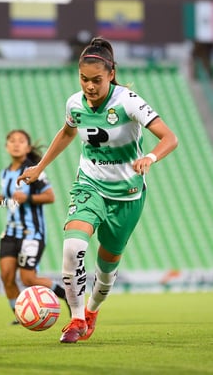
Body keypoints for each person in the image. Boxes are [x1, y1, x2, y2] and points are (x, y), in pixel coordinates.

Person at [17, 37, 178, 343]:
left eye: (96, 81)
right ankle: (76, 319)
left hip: (127, 196)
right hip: (89, 186)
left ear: (111, 75)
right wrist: (39, 168)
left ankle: (92, 310)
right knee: (73, 247)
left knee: (106, 267)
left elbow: (170, 137)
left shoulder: (128, 100)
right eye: (84, 79)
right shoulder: (75, 103)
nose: (89, 87)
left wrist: (150, 157)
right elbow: (66, 132)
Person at [0, 129, 68, 324]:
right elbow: (13, 201)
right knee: (6, 276)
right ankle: (20, 316)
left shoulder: (33, 170)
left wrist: (27, 197)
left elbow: (50, 196)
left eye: (21, 141)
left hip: (31, 233)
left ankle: (68, 295)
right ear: (6, 146)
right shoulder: (5, 173)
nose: (16, 144)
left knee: (28, 279)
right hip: (10, 232)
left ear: (28, 147)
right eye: (12, 140)